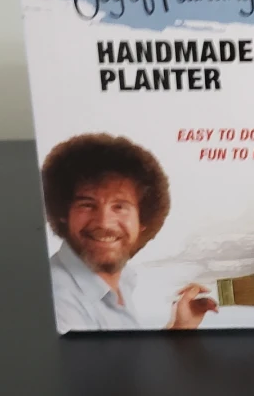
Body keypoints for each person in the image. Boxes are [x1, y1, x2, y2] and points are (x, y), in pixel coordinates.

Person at [42, 133, 216, 333]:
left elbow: (125, 352)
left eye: (119, 207)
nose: (104, 223)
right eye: (87, 205)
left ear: (143, 221)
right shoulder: (58, 301)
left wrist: (179, 328)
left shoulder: (122, 280)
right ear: (63, 214)